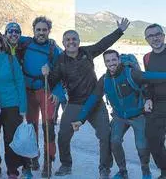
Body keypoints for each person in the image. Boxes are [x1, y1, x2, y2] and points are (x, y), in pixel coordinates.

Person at [43, 18, 130, 178]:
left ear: (79, 41)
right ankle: (66, 164)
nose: (71, 42)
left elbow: (103, 44)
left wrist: (119, 31)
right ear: (63, 42)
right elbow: (50, 82)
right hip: (75, 103)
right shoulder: (60, 61)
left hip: (95, 102)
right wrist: (46, 75)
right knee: (63, 135)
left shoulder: (87, 52)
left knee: (105, 135)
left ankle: (104, 168)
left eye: (74, 39)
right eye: (68, 39)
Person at [69, 49, 166, 179]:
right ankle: (122, 171)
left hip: (138, 116)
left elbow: (150, 76)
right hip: (119, 117)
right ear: (104, 63)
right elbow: (92, 99)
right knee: (114, 141)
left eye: (114, 60)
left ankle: (145, 170)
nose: (111, 63)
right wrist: (80, 120)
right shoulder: (105, 80)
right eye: (108, 61)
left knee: (142, 145)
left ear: (119, 60)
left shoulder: (131, 74)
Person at [16, 16, 66, 177]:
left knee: (48, 128)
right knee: (31, 128)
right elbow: (9, 38)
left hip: (46, 90)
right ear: (33, 30)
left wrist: (58, 92)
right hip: (28, 91)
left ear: (49, 31)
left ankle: (48, 162)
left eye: (44, 30)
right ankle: (33, 157)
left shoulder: (54, 50)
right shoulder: (25, 43)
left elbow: (61, 73)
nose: (41, 33)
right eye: (38, 29)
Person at [0, 30, 27, 179]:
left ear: (1, 43)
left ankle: (12, 170)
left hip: (11, 104)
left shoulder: (10, 59)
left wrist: (23, 107)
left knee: (10, 139)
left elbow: (20, 82)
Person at [143, 23, 166, 179]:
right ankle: (164, 170)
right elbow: (148, 82)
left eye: (157, 34)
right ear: (146, 39)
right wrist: (148, 98)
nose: (155, 38)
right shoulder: (147, 57)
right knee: (152, 138)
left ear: (163, 35)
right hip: (158, 103)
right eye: (150, 36)